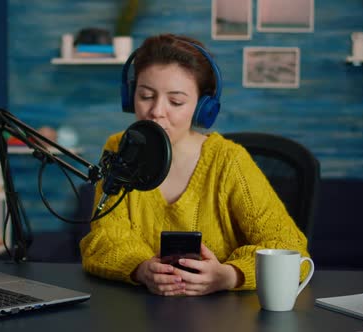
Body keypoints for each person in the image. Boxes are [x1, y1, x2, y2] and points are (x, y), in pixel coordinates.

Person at [79, 33, 310, 296]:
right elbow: (102, 240)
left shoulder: (228, 160)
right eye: (145, 96)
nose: (156, 111)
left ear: (203, 108)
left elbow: (292, 250)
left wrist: (229, 275)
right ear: (130, 96)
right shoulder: (121, 148)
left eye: (176, 101)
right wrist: (141, 269)